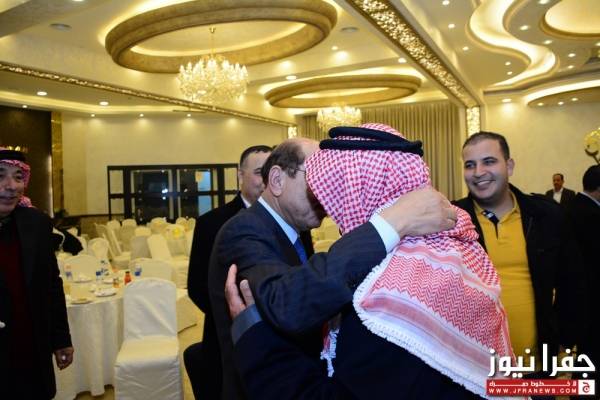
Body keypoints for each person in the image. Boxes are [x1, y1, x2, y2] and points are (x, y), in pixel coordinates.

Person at [226, 123, 511, 399]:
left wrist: (257, 346)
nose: (326, 204)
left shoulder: (382, 300)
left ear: (361, 190)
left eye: (334, 189)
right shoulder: (451, 253)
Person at [454, 132, 585, 372]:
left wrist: (565, 340)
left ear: (509, 166)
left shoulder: (546, 216)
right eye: (470, 165)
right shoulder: (451, 222)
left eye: (489, 161)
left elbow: (572, 283)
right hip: (473, 368)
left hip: (536, 365)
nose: (478, 172)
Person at [184, 145, 272, 399]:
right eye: (259, 172)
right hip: (227, 338)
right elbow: (197, 287)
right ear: (240, 175)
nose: (265, 180)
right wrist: (236, 318)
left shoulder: (294, 220)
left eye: (270, 172)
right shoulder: (211, 223)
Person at [0, 147, 73, 399]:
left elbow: (51, 285)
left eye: (18, 177)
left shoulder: (37, 223)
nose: (11, 186)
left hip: (30, 347)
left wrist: (61, 339)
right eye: (0, 176)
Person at [565, 165, 600, 384]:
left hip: (580, 292)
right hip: (591, 292)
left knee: (587, 348)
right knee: (591, 348)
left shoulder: (573, 206)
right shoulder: (592, 214)